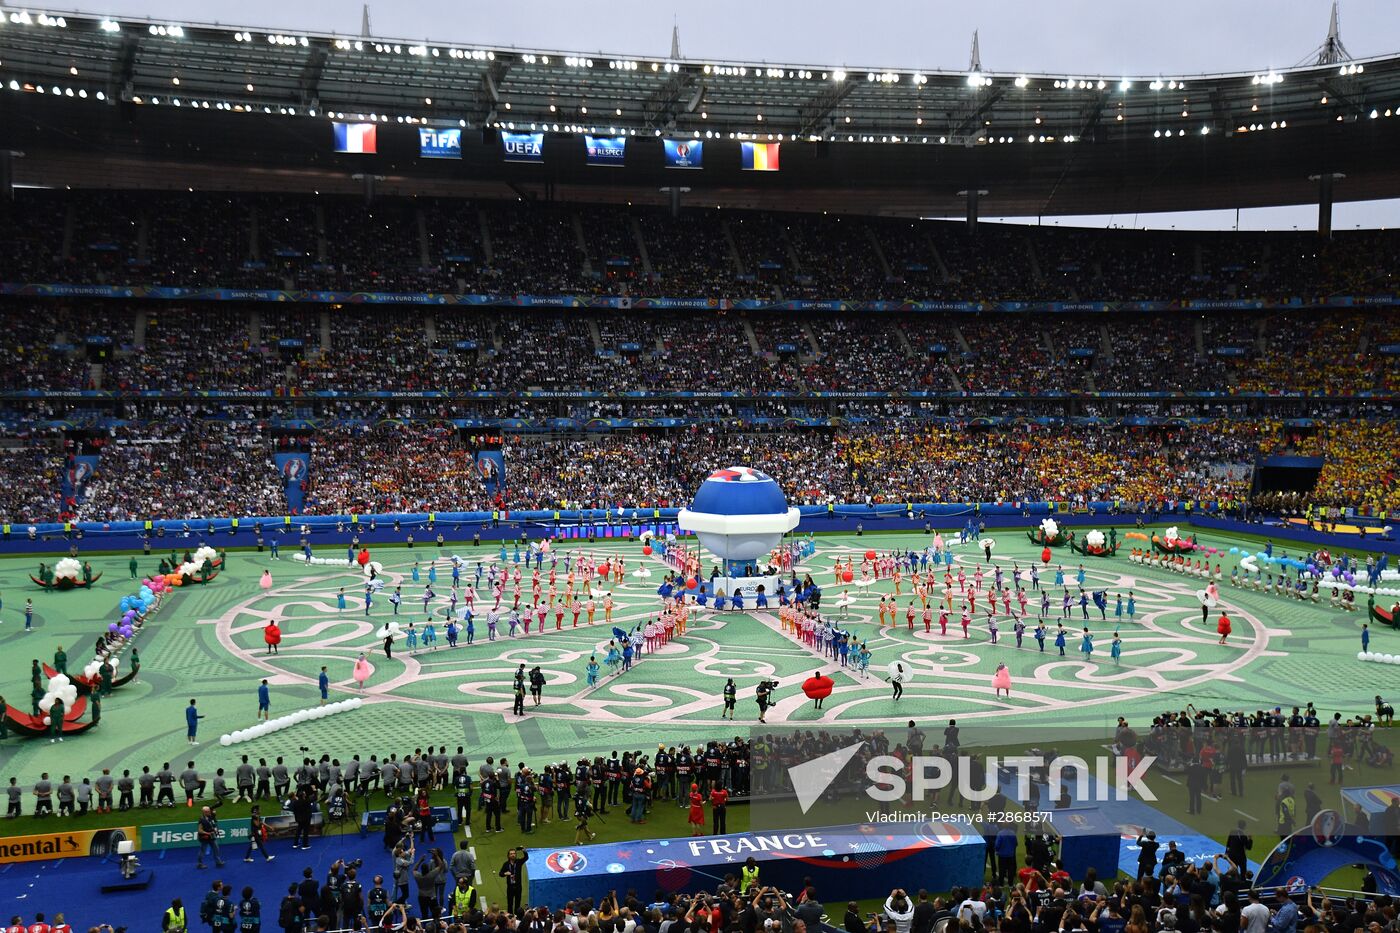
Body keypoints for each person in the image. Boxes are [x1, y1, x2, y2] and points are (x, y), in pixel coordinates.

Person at [196, 802, 226, 869]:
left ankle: (218, 862)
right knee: (202, 851)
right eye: (207, 811)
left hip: (212, 836)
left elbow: (213, 824)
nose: (209, 812)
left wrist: (216, 830)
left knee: (216, 849)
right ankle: (199, 864)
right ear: (204, 812)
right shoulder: (201, 819)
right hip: (204, 837)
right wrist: (207, 833)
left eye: (209, 811)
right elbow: (199, 830)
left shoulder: (210, 816)